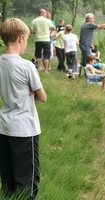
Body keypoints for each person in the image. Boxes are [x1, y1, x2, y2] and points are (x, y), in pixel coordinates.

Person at [0, 18, 47, 199]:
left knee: (8, 181)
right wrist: (32, 92)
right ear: (21, 38)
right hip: (25, 130)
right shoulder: (26, 65)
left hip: (4, 128)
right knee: (27, 182)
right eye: (27, 39)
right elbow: (42, 97)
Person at [30, 9, 56, 73]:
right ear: (43, 13)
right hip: (46, 40)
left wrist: (37, 32)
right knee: (46, 55)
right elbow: (54, 29)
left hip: (38, 40)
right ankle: (46, 70)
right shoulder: (47, 21)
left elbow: (32, 31)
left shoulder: (34, 21)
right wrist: (49, 32)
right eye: (45, 13)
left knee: (38, 54)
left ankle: (38, 68)